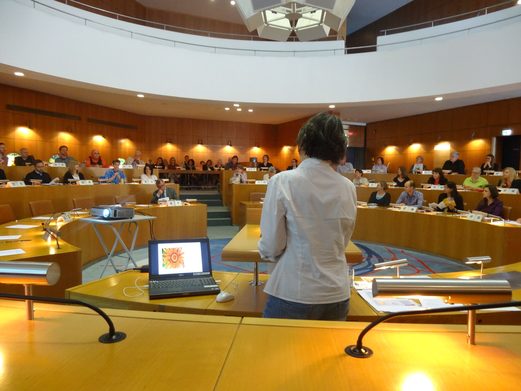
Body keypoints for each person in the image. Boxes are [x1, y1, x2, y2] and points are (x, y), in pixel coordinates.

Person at [258, 112, 356, 321]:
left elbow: (272, 245)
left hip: (295, 290)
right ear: (339, 149)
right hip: (337, 292)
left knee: (275, 353)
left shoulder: (283, 181)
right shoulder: (348, 187)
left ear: (303, 145)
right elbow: (343, 240)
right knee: (325, 353)